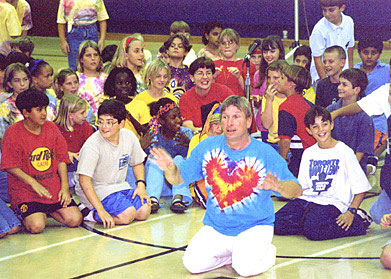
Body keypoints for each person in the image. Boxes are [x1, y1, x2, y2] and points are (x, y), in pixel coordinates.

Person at [150, 95, 302, 277]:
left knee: (245, 269)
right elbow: (178, 178)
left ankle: (265, 251)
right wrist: (170, 168)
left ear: (248, 121)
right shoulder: (207, 146)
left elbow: (297, 189)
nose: (229, 122)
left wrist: (279, 186)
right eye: (225, 117)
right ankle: (234, 254)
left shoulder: (264, 152)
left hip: (254, 226)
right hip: (217, 227)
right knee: (193, 264)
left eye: (236, 116)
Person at [274, 106, 372, 240]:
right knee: (277, 224)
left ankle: (358, 221)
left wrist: (351, 211)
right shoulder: (308, 153)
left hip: (333, 203)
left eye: (324, 124)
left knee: (314, 231)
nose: (321, 130)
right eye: (315, 127)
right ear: (309, 130)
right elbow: (302, 188)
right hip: (309, 199)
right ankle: (310, 223)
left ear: (331, 125)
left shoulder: (344, 152)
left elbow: (361, 187)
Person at [1, 89, 82, 234]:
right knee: (37, 226)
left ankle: (46, 211)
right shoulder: (12, 132)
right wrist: (33, 182)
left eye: (45, 108)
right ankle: (24, 212)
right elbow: (10, 166)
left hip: (51, 188)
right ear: (26, 113)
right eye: (39, 110)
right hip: (26, 191)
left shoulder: (51, 128)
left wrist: (64, 187)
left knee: (75, 219)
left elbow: (61, 159)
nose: (44, 113)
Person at [75, 99, 151, 228]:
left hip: (119, 186)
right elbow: (84, 180)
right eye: (101, 121)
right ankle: (89, 214)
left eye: (110, 122)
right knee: (127, 215)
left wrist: (141, 186)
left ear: (121, 123)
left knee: (144, 210)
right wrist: (100, 210)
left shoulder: (129, 137)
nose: (104, 127)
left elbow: (137, 163)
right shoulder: (92, 145)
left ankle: (106, 211)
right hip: (97, 189)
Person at [330, 77, 391, 227]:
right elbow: (361, 106)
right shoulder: (385, 90)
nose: (389, 98)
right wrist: (335, 114)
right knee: (378, 215)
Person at [144, 98, 193, 214]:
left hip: (179, 186)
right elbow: (138, 164)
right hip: (156, 186)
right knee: (156, 156)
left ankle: (178, 198)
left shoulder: (186, 133)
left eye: (179, 116)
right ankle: (152, 199)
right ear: (161, 120)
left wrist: (189, 144)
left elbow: (196, 161)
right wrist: (141, 148)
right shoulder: (152, 137)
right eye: (173, 117)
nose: (178, 120)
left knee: (179, 159)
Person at [327, 68, 374, 173]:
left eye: (344, 85)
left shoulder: (365, 115)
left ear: (356, 90)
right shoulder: (330, 110)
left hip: (355, 169)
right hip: (331, 166)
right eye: (339, 83)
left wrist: (350, 169)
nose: (339, 87)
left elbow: (362, 149)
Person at [354, 35, 390, 167]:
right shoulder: (354, 71)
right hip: (358, 118)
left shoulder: (387, 70)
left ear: (380, 54)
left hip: (379, 121)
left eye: (373, 53)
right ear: (358, 53)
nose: (369, 56)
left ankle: (373, 157)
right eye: (365, 52)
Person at [278, 64, 316, 177]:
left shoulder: (286, 107)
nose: (278, 81)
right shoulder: (308, 103)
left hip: (302, 158)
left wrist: (281, 162)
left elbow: (285, 141)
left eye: (282, 78)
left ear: (291, 84)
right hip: (314, 154)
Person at [179, 57, 234, 133]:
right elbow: (187, 124)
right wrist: (197, 132)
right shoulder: (185, 98)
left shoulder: (224, 91)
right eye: (200, 73)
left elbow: (235, 113)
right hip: (198, 135)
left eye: (208, 73)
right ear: (192, 77)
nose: (205, 77)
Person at [309, 0, 354, 83]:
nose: (327, 14)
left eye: (331, 10)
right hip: (322, 76)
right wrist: (325, 83)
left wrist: (350, 73)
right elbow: (317, 58)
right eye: (324, 10)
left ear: (342, 8)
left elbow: (350, 48)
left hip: (342, 75)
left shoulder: (349, 22)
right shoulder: (318, 30)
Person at [187, 102, 222, 209]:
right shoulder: (197, 140)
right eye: (215, 124)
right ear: (208, 124)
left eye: (222, 124)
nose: (219, 128)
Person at [54, 94, 93, 188]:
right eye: (82, 113)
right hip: (62, 163)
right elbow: (51, 149)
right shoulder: (54, 128)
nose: (85, 115)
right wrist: (67, 153)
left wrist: (82, 153)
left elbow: (91, 144)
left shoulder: (84, 125)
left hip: (78, 161)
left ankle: (76, 179)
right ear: (70, 115)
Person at [57, 0, 109, 71]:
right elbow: (61, 21)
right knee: (74, 63)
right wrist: (63, 41)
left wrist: (102, 39)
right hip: (74, 32)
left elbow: (102, 19)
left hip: (92, 31)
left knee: (93, 61)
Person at [252, 35, 285, 140]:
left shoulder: (288, 72)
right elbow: (257, 105)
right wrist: (257, 99)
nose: (268, 55)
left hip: (282, 123)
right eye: (265, 52)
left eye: (272, 51)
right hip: (265, 125)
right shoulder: (258, 74)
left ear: (280, 51)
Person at [103, 66, 149, 138]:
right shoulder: (106, 106)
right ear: (113, 86)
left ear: (132, 85)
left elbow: (146, 132)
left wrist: (129, 117)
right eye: (120, 83)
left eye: (127, 83)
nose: (124, 86)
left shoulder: (141, 105)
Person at [214, 28, 256, 97]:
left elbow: (250, 94)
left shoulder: (247, 65)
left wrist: (239, 78)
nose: (227, 46)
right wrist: (213, 77)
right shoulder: (213, 65)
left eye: (230, 42)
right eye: (223, 43)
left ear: (237, 45)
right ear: (219, 46)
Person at [259, 60, 289, 151]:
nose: (271, 81)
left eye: (276, 78)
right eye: (269, 77)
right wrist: (269, 100)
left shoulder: (292, 97)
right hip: (272, 144)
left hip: (290, 144)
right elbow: (266, 125)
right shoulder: (267, 96)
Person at [77, 40, 107, 114]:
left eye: (96, 55)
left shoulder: (106, 78)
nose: (93, 58)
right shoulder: (75, 78)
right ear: (81, 59)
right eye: (88, 55)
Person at [163, 34, 194, 100]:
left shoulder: (190, 72)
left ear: (186, 52)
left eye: (180, 46)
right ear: (167, 50)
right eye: (172, 46)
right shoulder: (161, 69)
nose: (176, 48)